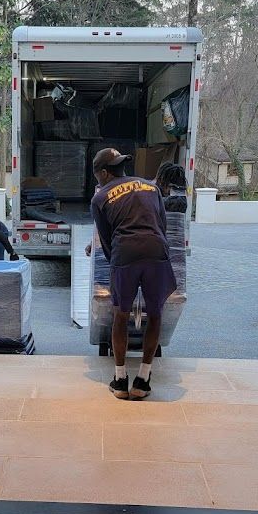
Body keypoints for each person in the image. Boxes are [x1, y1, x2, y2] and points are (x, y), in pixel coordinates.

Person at [90, 148, 177, 400]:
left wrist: (117, 264)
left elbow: (106, 240)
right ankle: (143, 380)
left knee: (121, 314)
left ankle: (120, 381)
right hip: (156, 251)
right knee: (156, 313)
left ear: (104, 173)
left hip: (125, 254)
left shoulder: (100, 197)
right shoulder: (152, 188)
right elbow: (162, 225)